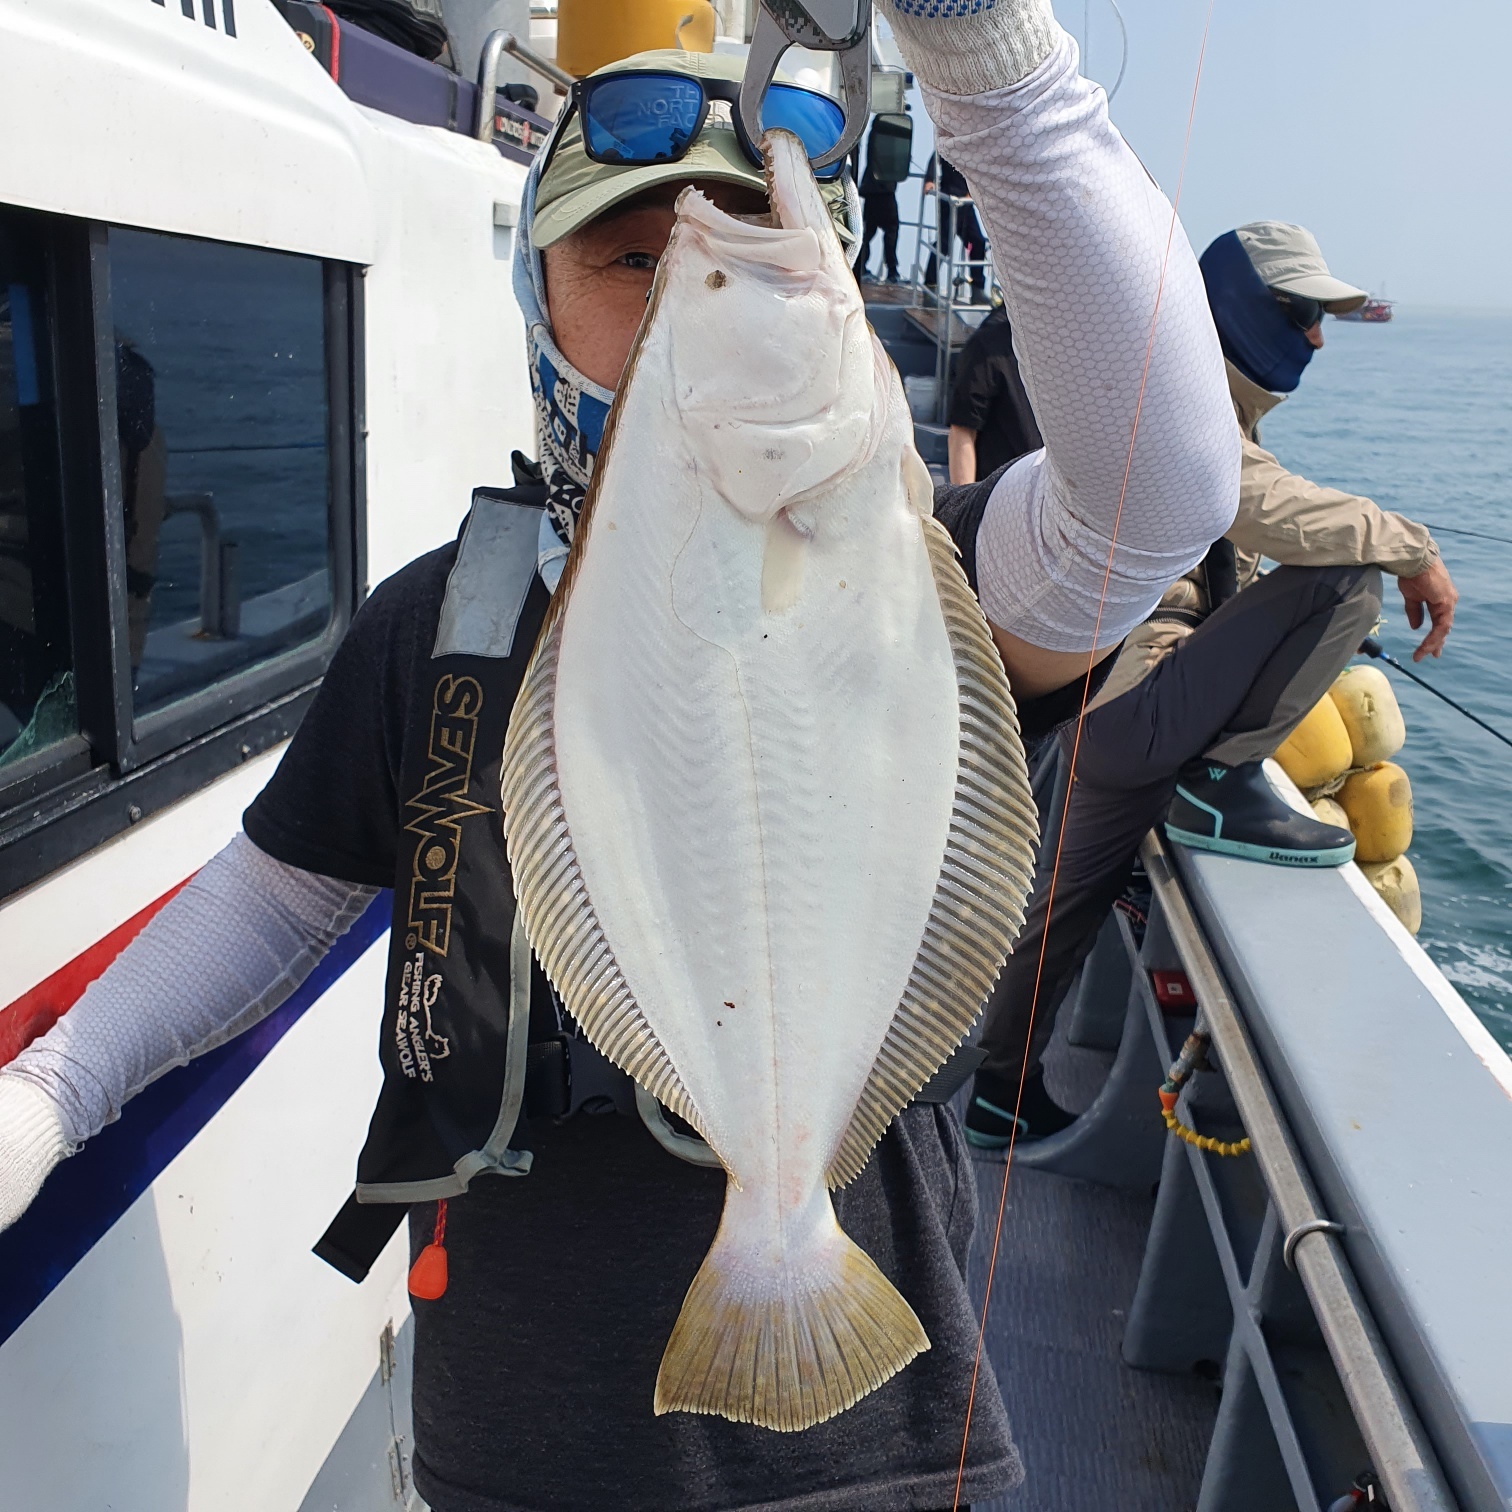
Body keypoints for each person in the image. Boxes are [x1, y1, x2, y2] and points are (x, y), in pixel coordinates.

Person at [0, 8, 1241, 1509]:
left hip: (883, 1462)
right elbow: (276, 898)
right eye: (632, 260)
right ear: (541, 300)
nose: (681, 293)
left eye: (740, 244)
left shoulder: (929, 573)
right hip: (516, 1450)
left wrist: (987, 55)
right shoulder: (438, 625)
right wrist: (54, 1094)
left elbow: (1162, 488)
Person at [963, 220, 1461, 1150]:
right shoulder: (1182, 410)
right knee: (1349, 579)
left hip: (1102, 709)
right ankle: (1220, 784)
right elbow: (1261, 506)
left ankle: (997, 1094)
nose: (1318, 338)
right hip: (1140, 704)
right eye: (1303, 313)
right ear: (1242, 306)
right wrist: (1412, 547)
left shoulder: (1191, 399)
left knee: (1061, 908)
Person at [947, 302, 1042, 483]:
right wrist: (965, 498)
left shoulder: (1066, 349)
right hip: (999, 491)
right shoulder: (985, 347)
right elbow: (962, 431)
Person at [923, 153, 988, 302]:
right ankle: (930, 286)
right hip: (949, 199)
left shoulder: (975, 148)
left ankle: (977, 289)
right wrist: (929, 179)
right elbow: (936, 156)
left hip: (966, 203)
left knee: (977, 242)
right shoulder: (949, 144)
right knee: (944, 245)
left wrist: (972, 192)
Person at [858, 114, 903, 283]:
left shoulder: (875, 136)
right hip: (883, 191)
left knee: (869, 231)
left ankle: (861, 267)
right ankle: (891, 271)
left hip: (872, 191)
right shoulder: (887, 140)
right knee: (890, 229)